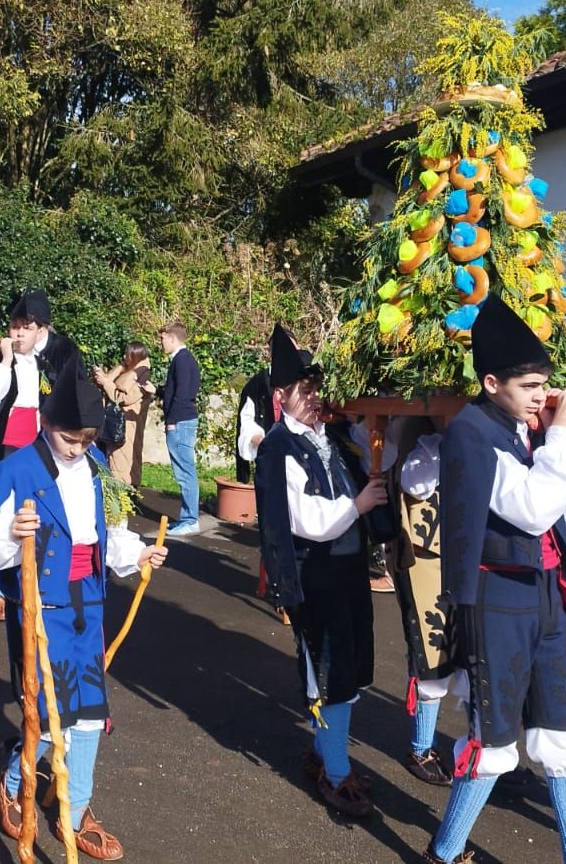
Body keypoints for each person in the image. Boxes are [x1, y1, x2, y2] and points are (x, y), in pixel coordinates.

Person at [0, 352, 169, 860]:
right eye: (70, 439)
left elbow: (99, 536)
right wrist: (11, 533)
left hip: (87, 606)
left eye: (88, 441)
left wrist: (137, 552)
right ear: (46, 423)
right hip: (40, 607)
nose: (79, 449)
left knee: (90, 712)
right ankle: (11, 783)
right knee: (53, 714)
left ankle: (74, 811)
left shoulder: (93, 467)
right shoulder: (15, 469)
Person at [425, 294, 566, 864]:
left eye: (545, 386)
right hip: (498, 599)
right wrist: (559, 434)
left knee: (564, 735)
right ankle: (446, 851)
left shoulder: (529, 429)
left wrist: (556, 434)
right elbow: (531, 510)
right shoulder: (472, 431)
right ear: (493, 381)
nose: (541, 397)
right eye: (529, 388)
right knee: (495, 738)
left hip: (546, 595)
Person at [255, 323, 389, 818]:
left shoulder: (331, 435)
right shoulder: (277, 448)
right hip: (316, 575)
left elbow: (379, 453)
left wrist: (363, 420)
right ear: (280, 395)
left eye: (316, 390)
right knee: (330, 673)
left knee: (349, 668)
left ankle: (322, 754)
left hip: (347, 571)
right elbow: (307, 521)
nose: (314, 399)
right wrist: (358, 504)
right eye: (304, 391)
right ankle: (335, 773)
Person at [0, 290, 79, 622]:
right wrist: (4, 361)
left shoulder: (42, 365)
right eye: (14, 327)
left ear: (40, 333)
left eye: (25, 329)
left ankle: (18, 579)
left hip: (31, 450)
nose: (17, 334)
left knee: (24, 515)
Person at [390, 414, 458, 787]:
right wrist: (442, 437)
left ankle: (483, 745)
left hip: (471, 553)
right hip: (427, 554)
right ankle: (421, 746)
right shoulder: (419, 434)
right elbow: (415, 484)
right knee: (432, 651)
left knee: (479, 656)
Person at [158, 322, 202, 536]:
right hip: (182, 420)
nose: (161, 342)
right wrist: (158, 391)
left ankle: (190, 519)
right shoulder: (182, 360)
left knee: (185, 472)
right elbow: (177, 389)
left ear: (173, 338)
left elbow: (183, 393)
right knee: (183, 471)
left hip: (181, 422)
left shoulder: (182, 360)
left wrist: (172, 420)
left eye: (163, 338)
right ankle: (187, 517)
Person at [93, 341, 155, 486]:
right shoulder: (125, 371)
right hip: (114, 422)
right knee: (112, 460)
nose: (124, 357)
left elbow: (125, 398)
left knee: (122, 465)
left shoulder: (142, 376)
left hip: (127, 426)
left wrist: (106, 383)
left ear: (135, 356)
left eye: (127, 354)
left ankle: (124, 497)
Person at [234, 367, 273, 482]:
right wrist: (260, 441)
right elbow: (246, 421)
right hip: (268, 460)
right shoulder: (256, 384)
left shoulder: (306, 375)